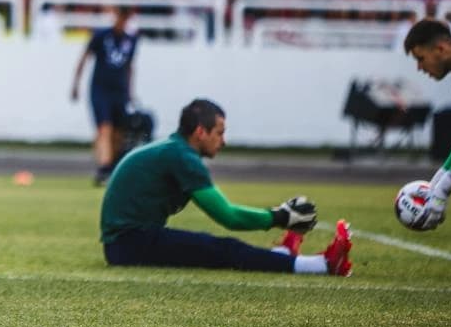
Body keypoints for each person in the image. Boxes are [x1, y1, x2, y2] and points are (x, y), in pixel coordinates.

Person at [100, 98, 353, 276]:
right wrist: (279, 217)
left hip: (126, 243)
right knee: (223, 250)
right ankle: (322, 265)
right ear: (201, 132)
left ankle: (281, 255)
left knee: (212, 248)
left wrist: (277, 217)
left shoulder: (175, 150)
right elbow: (228, 217)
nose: (224, 141)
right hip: (129, 246)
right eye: (219, 133)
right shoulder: (182, 157)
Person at [400, 18, 451, 229]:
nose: (420, 67)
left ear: (440, 48)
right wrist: (435, 183)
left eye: (420, 58)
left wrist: (442, 191)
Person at [71, 7, 138, 186]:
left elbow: (130, 67)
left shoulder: (131, 40)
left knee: (118, 132)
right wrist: (76, 84)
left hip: (119, 91)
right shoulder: (101, 36)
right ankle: (104, 168)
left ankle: (112, 166)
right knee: (104, 128)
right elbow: (84, 58)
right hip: (100, 89)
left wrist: (130, 92)